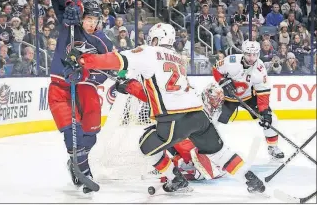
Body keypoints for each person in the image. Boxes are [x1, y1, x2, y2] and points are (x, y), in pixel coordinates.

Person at [64, 23, 266, 194]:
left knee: (146, 146)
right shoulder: (178, 59)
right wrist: (128, 85)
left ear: (154, 39)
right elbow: (155, 88)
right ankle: (252, 180)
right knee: (220, 152)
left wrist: (84, 60)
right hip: (199, 116)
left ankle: (174, 177)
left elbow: (115, 61)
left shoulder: (147, 52)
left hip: (174, 120)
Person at [49, 0, 113, 194]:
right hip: (60, 88)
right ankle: (85, 172)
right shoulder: (68, 25)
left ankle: (75, 163)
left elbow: (107, 69)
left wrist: (85, 73)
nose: (92, 24)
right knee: (71, 132)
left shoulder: (102, 41)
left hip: (86, 89)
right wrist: (68, 5)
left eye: (95, 20)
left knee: (90, 135)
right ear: (81, 17)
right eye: (88, 19)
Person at [212, 40, 285, 160]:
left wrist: (265, 112)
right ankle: (208, 149)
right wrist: (222, 81)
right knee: (213, 121)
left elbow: (263, 94)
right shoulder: (231, 60)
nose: (252, 58)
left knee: (271, 118)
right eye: (248, 54)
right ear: (243, 52)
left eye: (255, 55)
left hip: (248, 97)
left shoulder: (260, 69)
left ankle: (273, 147)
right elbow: (216, 70)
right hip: (227, 97)